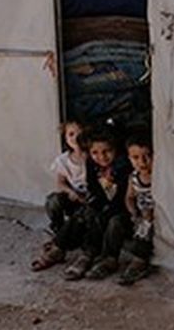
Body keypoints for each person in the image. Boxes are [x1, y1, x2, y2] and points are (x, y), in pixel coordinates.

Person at [64, 126, 132, 281]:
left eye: (107, 151)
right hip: (105, 205)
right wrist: (96, 205)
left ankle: (109, 259)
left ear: (116, 149)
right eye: (95, 152)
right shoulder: (92, 164)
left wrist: (106, 210)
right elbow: (94, 188)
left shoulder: (123, 167)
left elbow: (123, 198)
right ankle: (87, 253)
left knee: (115, 221)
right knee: (90, 213)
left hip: (123, 209)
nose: (101, 157)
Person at [31, 119, 87, 271]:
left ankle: (58, 247)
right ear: (65, 137)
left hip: (89, 201)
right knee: (53, 200)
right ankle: (59, 231)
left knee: (83, 215)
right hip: (74, 198)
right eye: (71, 134)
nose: (75, 138)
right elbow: (60, 183)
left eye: (80, 134)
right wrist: (71, 192)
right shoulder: (63, 160)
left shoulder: (93, 156)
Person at [117, 131, 154, 285]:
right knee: (119, 223)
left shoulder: (159, 176)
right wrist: (133, 210)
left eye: (147, 156)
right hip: (140, 214)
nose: (142, 162)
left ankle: (139, 262)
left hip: (155, 215)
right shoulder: (133, 178)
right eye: (136, 158)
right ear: (129, 159)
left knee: (147, 229)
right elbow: (129, 197)